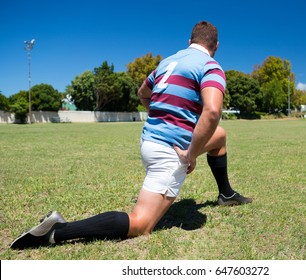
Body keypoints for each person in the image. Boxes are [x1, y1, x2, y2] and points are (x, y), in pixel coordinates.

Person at [10, 21, 252, 250]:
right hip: (169, 151)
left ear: (189, 40)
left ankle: (226, 194)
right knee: (141, 224)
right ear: (216, 46)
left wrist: (162, 118)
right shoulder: (210, 66)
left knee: (219, 136)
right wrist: (190, 154)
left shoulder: (168, 62)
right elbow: (211, 111)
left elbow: (143, 93)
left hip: (149, 140)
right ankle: (56, 231)